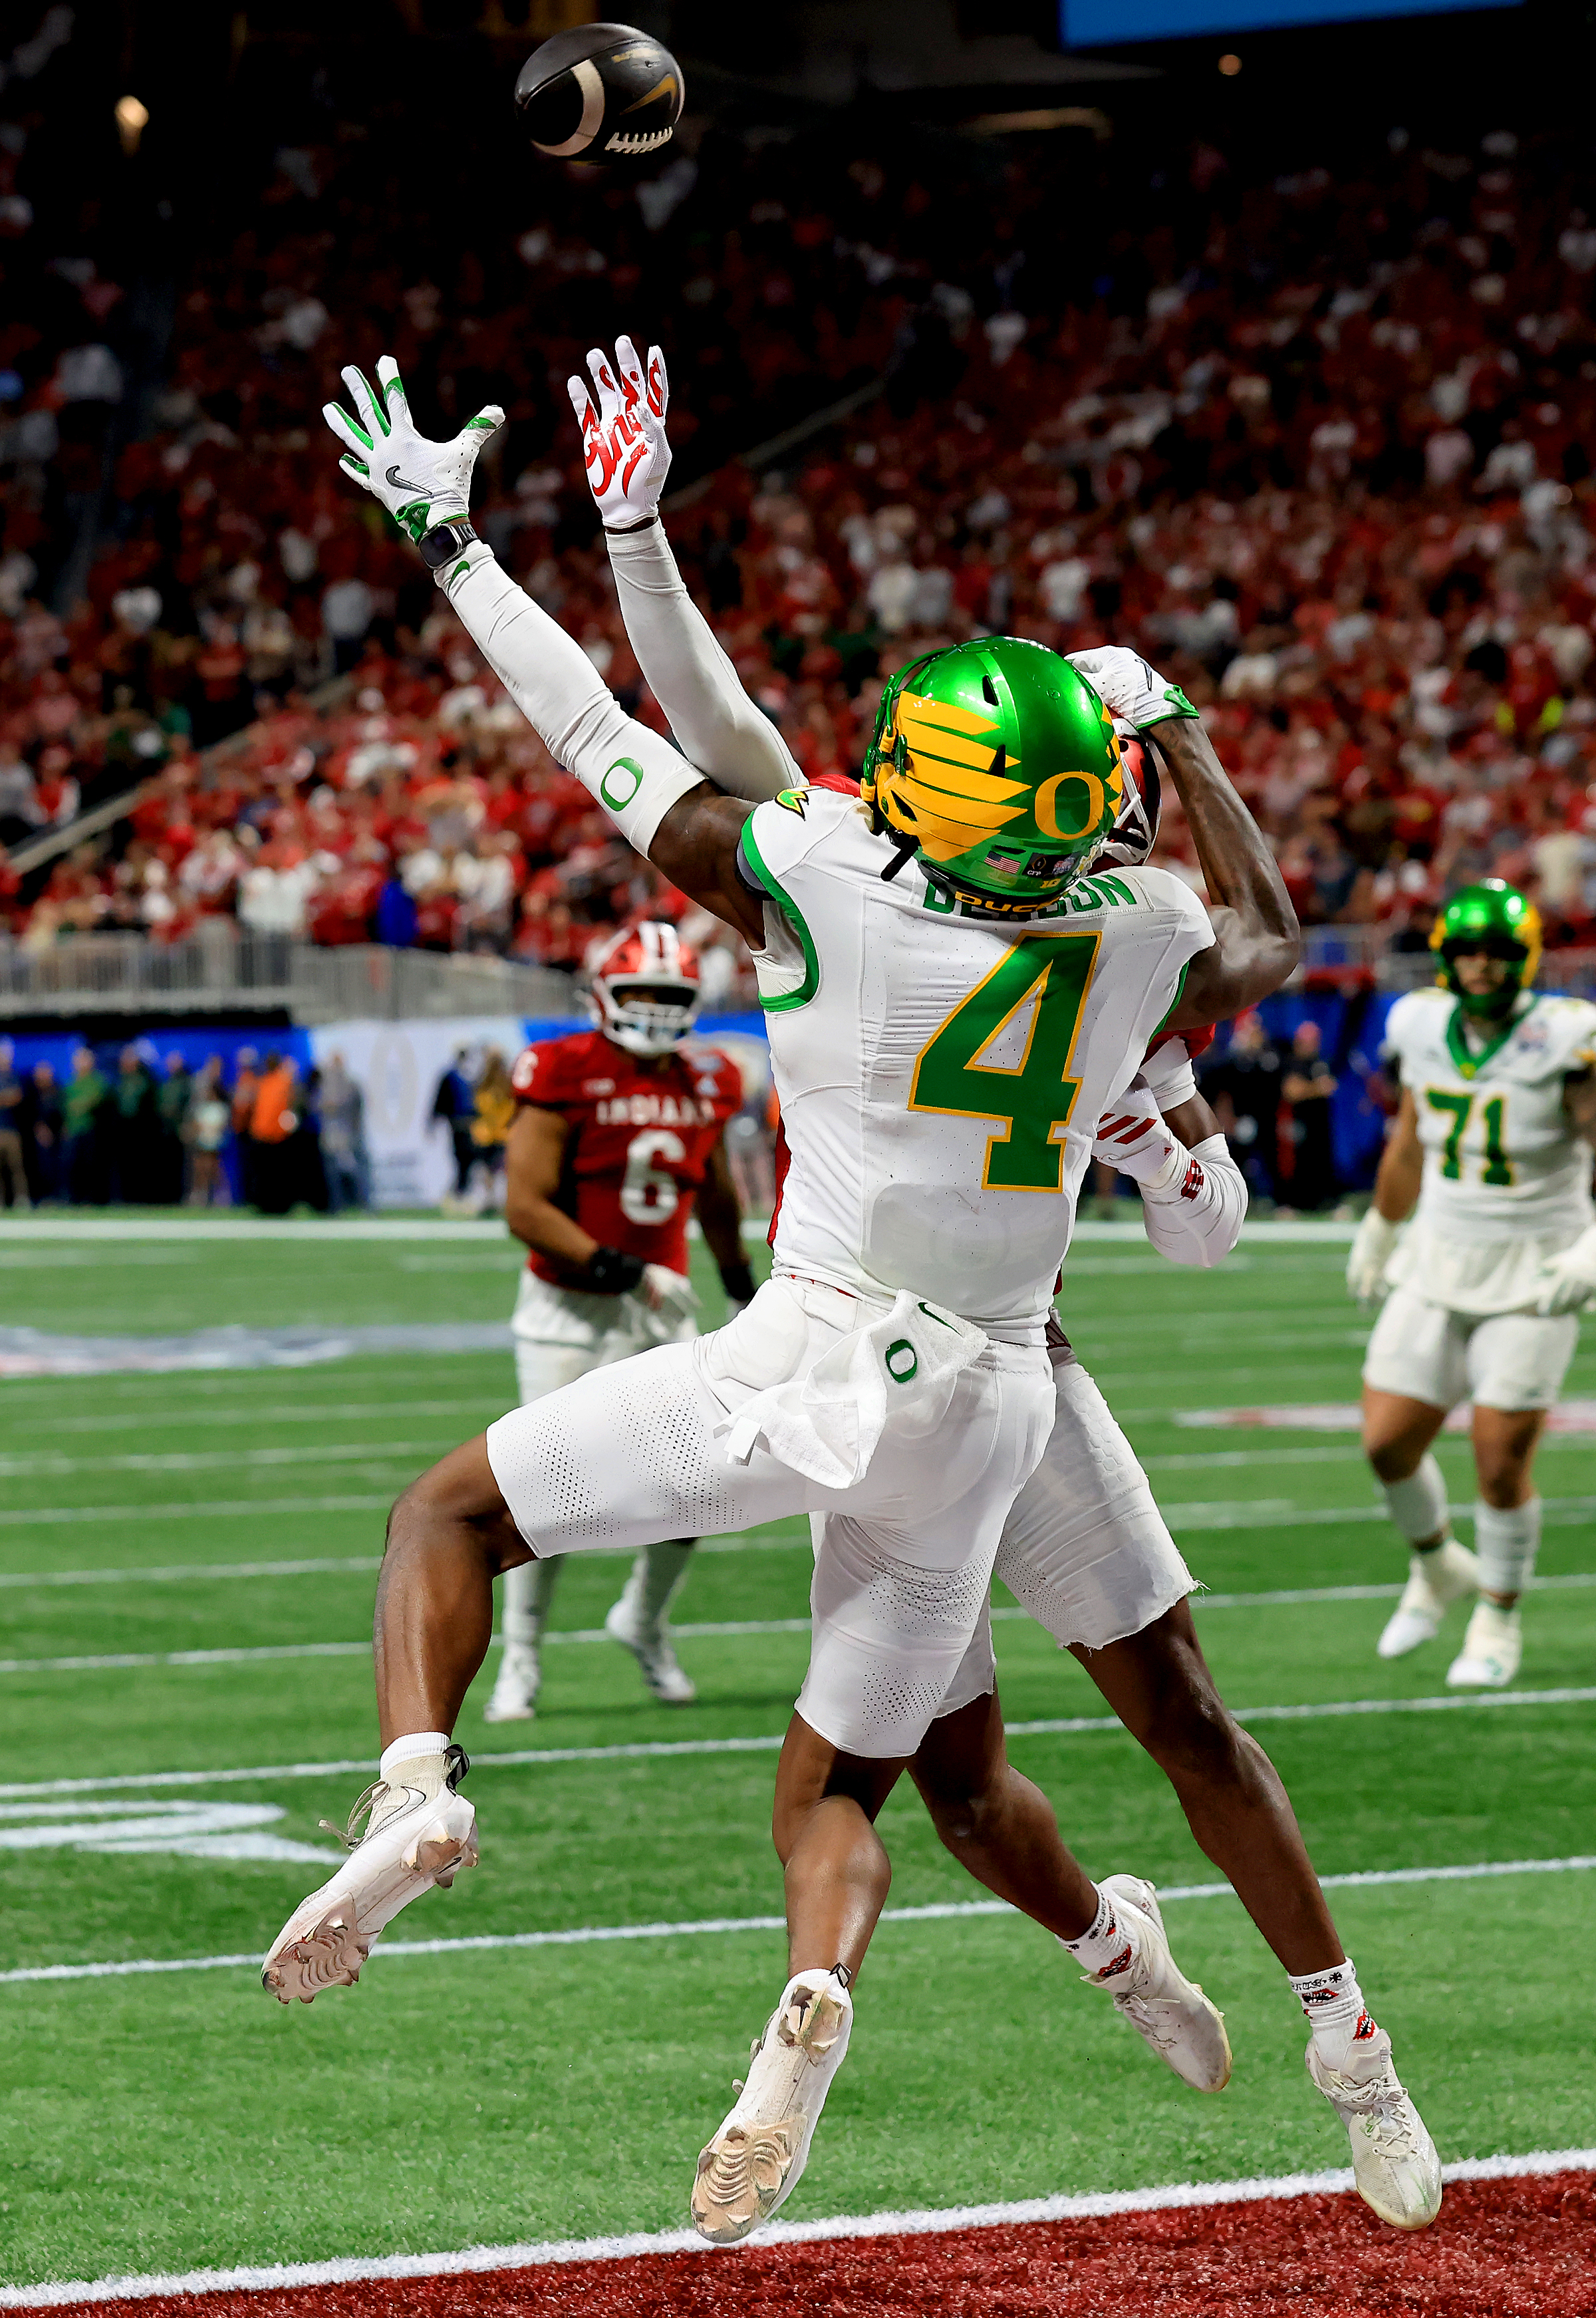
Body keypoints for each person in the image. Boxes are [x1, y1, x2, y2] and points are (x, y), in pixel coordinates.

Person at [259, 356, 1434, 2245]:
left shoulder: (823, 881)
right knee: (1009, 1764)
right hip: (998, 1401)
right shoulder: (1131, 929)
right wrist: (1184, 731)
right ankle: (1294, 2037)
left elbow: (635, 740)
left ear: (914, 790)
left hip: (821, 1364)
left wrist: (475, 548)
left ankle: (418, 1785)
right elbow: (1271, 934)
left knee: (453, 1517)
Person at [483, 921, 749, 1725]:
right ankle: (521, 1659)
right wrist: (623, 1270)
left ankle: (642, 1621)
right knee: (544, 1492)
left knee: (704, 1483)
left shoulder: (706, 1080)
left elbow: (712, 1192)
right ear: (604, 992)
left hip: (660, 1307)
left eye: (670, 997)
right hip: (569, 1309)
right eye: (640, 994)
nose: (655, 1010)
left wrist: (741, 1285)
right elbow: (524, 1207)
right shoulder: (562, 1069)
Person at [1346, 881, 1596, 1688]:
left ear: (1525, 960)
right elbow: (1412, 1141)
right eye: (1467, 954)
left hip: (1534, 1267)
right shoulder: (1419, 1022)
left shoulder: (1567, 1037)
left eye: (1495, 953)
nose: (1481, 968)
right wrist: (1384, 1226)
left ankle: (1498, 1614)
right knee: (1386, 1442)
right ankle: (1438, 1565)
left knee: (1498, 1459)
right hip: (1437, 1253)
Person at [1200, 1008, 1283, 1201]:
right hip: (1238, 1118)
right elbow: (1220, 1091)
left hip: (1266, 1119)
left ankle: (1278, 1199)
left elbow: (1276, 1085)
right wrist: (1227, 1119)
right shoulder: (1230, 1061)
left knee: (1272, 1156)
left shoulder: (1269, 1058)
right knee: (1234, 1157)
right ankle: (1230, 1197)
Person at [1278, 1018, 1338, 1213]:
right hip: (1298, 1123)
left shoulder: (1320, 1062)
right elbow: (1292, 1091)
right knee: (1298, 1165)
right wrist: (1316, 1089)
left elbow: (1330, 1088)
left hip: (1320, 1124)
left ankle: (1324, 1203)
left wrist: (1316, 1089)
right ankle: (1292, 1203)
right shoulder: (1292, 1063)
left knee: (1321, 1163)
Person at [248, 1049, 301, 1215]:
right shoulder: (264, 1082)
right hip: (263, 1135)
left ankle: (281, 1206)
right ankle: (264, 1206)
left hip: (278, 1136)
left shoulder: (282, 1081)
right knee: (265, 1176)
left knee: (279, 1176)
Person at [317, 1052, 366, 1213]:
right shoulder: (326, 1085)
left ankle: (363, 1204)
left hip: (348, 1132)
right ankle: (337, 1205)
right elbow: (319, 1106)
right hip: (331, 1133)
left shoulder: (350, 1083)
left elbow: (356, 1107)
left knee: (357, 1169)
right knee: (332, 1172)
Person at [467, 1046, 515, 1213]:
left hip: (499, 1134)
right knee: (488, 1170)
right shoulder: (485, 1084)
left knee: (500, 1170)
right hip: (489, 1134)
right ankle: (490, 1200)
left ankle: (499, 1200)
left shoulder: (506, 1084)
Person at [110, 1046, 160, 1204]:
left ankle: (142, 1198)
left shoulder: (145, 1080)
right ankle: (125, 1198)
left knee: (141, 1166)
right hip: (122, 1130)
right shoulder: (119, 1081)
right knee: (124, 1166)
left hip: (140, 1130)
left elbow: (150, 1105)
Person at [431, 1047, 477, 1206]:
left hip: (472, 1124)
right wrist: (433, 1120)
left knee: (470, 1158)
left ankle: (462, 1190)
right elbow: (440, 1098)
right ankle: (458, 1192)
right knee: (461, 1157)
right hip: (457, 1124)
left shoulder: (471, 1075)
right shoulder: (451, 1076)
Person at [62, 1048, 108, 1205]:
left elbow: (96, 1100)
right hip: (73, 1130)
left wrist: (82, 1104)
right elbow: (66, 1107)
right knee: (72, 1165)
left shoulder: (96, 1080)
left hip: (90, 1129)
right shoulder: (71, 1082)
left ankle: (91, 1199)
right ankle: (73, 1199)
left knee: (91, 1166)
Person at [187, 1056, 231, 1206]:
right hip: (202, 1140)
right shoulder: (202, 1106)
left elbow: (222, 1125)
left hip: (214, 1141)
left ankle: (221, 1195)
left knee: (214, 1168)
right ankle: (200, 1195)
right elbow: (196, 1123)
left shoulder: (220, 1108)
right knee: (199, 1168)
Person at [21, 1061, 61, 1205]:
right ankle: (38, 1198)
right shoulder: (31, 1093)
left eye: (46, 1073)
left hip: (56, 1138)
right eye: (40, 1073)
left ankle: (55, 1197)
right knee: (36, 1168)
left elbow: (60, 1112)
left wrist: (53, 1130)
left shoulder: (57, 1091)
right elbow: (27, 1114)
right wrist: (38, 1127)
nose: (43, 1076)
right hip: (33, 1139)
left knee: (55, 1168)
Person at [156, 1052, 193, 1205]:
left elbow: (187, 1106)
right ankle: (167, 1197)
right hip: (166, 1131)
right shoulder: (167, 1083)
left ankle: (180, 1198)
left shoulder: (186, 1082)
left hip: (180, 1131)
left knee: (182, 1167)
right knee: (167, 1166)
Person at [230, 1048, 261, 1207]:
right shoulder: (244, 1079)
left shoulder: (250, 1080)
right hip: (243, 1129)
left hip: (248, 1129)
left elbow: (244, 1107)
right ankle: (246, 1197)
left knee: (250, 1166)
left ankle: (249, 1198)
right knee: (246, 1166)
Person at [0, 1039, 27, 1209]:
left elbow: (17, 1097)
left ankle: (21, 1199)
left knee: (16, 1167)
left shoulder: (14, 1076)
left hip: (11, 1130)